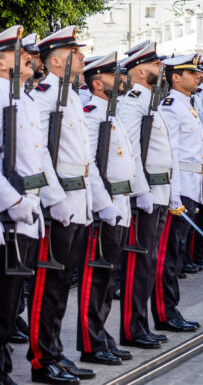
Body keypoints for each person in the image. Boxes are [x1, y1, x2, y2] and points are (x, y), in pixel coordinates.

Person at [30, 26, 97, 382]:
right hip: (59, 203)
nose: (83, 58)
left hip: (78, 201)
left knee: (63, 282)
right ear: (57, 61)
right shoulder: (44, 97)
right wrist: (54, 198)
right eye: (76, 53)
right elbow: (38, 150)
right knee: (49, 283)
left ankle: (54, 351)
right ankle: (41, 360)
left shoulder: (70, 95)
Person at [0, 26, 63, 384]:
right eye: (17, 52)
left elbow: (38, 158)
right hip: (7, 214)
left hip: (26, 214)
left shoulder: (23, 99)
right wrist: (13, 202)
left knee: (11, 302)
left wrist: (48, 200)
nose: (28, 57)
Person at [77, 52, 136, 366]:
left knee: (109, 276)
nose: (121, 80)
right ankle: (91, 342)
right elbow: (91, 166)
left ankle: (101, 335)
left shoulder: (110, 113)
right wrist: (104, 206)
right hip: (106, 207)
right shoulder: (90, 113)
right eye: (114, 76)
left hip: (120, 204)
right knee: (97, 277)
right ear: (98, 83)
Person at [117, 42, 174, 350]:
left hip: (160, 192)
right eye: (154, 65)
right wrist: (141, 191)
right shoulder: (134, 101)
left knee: (149, 262)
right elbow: (131, 150)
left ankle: (141, 323)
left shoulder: (152, 101)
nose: (160, 69)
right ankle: (132, 327)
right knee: (139, 263)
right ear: (140, 70)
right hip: (147, 194)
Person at [151, 54, 203, 333]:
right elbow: (169, 153)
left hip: (190, 188)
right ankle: (165, 312)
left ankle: (171, 309)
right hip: (179, 189)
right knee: (168, 255)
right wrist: (175, 195)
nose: (198, 76)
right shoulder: (171, 107)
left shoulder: (187, 105)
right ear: (175, 77)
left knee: (178, 252)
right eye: (190, 72)